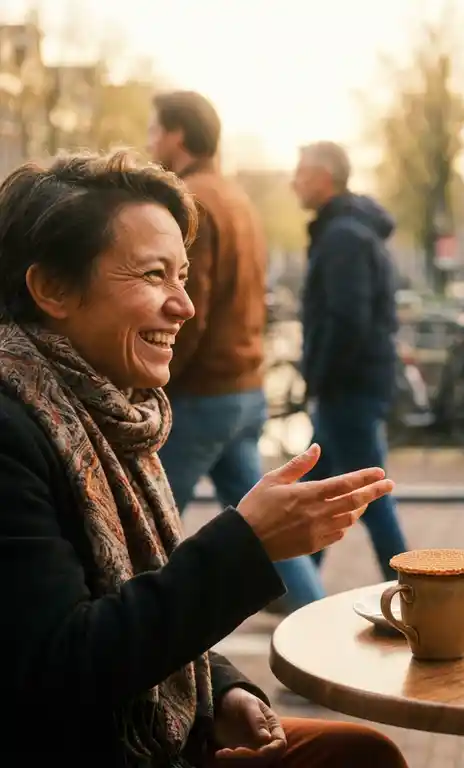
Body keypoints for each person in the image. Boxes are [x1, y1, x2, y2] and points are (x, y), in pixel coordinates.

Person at [0, 149, 406, 767]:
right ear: (52, 287)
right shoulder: (14, 431)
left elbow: (131, 591)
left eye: (182, 275)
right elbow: (62, 664)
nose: (184, 306)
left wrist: (222, 691)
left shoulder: (113, 413)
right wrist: (246, 541)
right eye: (152, 276)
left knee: (358, 751)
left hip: (155, 728)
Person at [146, 90, 326, 611]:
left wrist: (151, 380)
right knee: (274, 538)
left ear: (179, 135)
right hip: (244, 388)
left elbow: (187, 306)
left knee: (141, 524)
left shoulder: (189, 201)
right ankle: (319, 635)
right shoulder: (238, 198)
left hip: (202, 395)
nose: (150, 141)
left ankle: (135, 660)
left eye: (156, 130)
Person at [291, 141, 408, 579]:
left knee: (369, 494)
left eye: (301, 173)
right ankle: (297, 579)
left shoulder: (342, 237)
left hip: (348, 388)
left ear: (323, 178)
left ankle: (410, 584)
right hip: (352, 385)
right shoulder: (350, 231)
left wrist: (319, 376)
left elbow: (347, 319)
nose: (293, 182)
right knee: (317, 487)